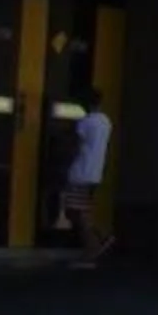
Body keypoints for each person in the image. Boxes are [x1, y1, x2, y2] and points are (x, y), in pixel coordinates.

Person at [61, 89, 112, 266]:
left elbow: (74, 146)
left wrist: (63, 162)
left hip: (79, 173)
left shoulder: (84, 122)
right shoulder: (106, 121)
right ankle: (101, 238)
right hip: (94, 173)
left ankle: (92, 248)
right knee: (78, 210)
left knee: (79, 213)